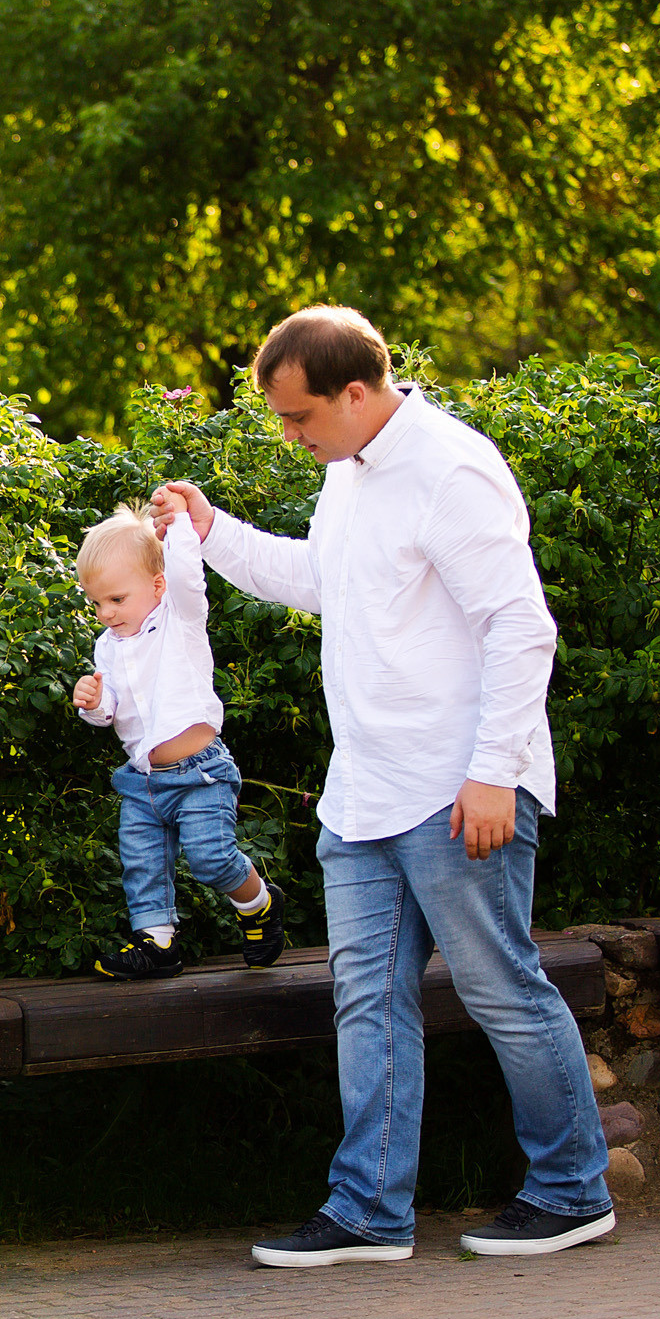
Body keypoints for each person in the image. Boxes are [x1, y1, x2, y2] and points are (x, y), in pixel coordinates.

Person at [150, 306, 612, 1266]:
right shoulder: (348, 475)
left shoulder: (452, 470)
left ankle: (572, 1191)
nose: (290, 436)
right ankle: (367, 1211)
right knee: (366, 999)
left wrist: (494, 775)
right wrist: (212, 528)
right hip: (364, 793)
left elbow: (521, 628)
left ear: (355, 392)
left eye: (298, 417)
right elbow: (323, 579)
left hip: (460, 791)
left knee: (501, 990)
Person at [71, 503, 283, 977]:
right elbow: (113, 714)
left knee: (211, 858)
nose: (106, 614)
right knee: (141, 863)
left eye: (117, 600)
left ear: (158, 586)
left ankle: (258, 905)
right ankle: (158, 942)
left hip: (200, 773)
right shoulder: (108, 646)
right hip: (144, 782)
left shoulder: (179, 617)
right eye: (97, 603)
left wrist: (181, 524)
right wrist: (93, 703)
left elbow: (189, 574)